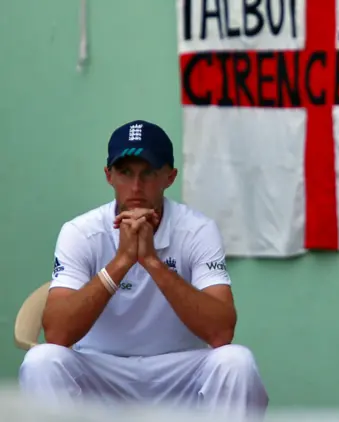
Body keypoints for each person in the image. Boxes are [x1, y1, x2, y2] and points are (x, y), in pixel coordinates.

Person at [19, 120, 269, 419]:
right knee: (41, 361)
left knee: (236, 362)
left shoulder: (197, 230)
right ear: (109, 175)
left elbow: (221, 332)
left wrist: (151, 262)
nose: (136, 188)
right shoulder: (81, 232)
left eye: (148, 173)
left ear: (170, 176)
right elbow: (57, 333)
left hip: (178, 374)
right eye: (125, 173)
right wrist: (122, 261)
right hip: (102, 372)